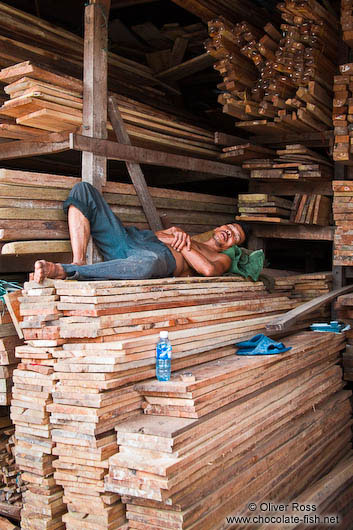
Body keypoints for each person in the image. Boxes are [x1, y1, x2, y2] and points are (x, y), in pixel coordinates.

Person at [33, 182, 247, 283]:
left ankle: (66, 271)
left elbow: (208, 270)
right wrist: (172, 236)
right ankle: (78, 260)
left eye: (235, 236)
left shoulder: (221, 258)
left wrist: (178, 241)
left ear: (233, 246)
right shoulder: (188, 238)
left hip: (153, 259)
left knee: (148, 262)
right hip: (130, 239)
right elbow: (155, 236)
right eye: (228, 227)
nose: (229, 233)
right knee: (84, 191)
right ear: (219, 227)